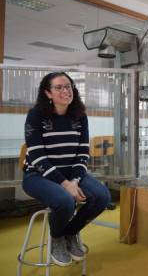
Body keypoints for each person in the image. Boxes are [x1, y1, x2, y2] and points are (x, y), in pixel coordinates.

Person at [22, 72, 111, 267]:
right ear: (48, 93)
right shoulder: (36, 115)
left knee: (102, 197)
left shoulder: (80, 116)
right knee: (65, 201)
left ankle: (70, 232)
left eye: (69, 86)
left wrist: (74, 181)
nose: (66, 91)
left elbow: (82, 153)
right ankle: (57, 238)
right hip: (38, 175)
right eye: (59, 87)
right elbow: (37, 157)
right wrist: (64, 184)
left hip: (72, 174)